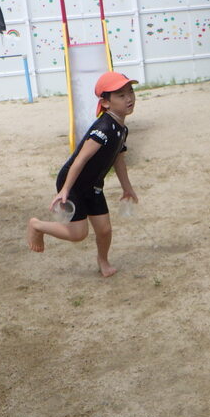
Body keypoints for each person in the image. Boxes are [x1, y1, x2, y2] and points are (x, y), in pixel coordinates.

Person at [26, 72, 139, 278]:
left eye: (130, 92)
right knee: (79, 234)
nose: (129, 98)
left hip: (94, 185)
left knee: (104, 230)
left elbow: (118, 159)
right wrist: (66, 190)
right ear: (105, 103)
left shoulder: (121, 129)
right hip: (74, 182)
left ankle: (102, 261)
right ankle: (37, 225)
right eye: (121, 95)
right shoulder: (103, 128)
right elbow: (79, 160)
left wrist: (127, 187)